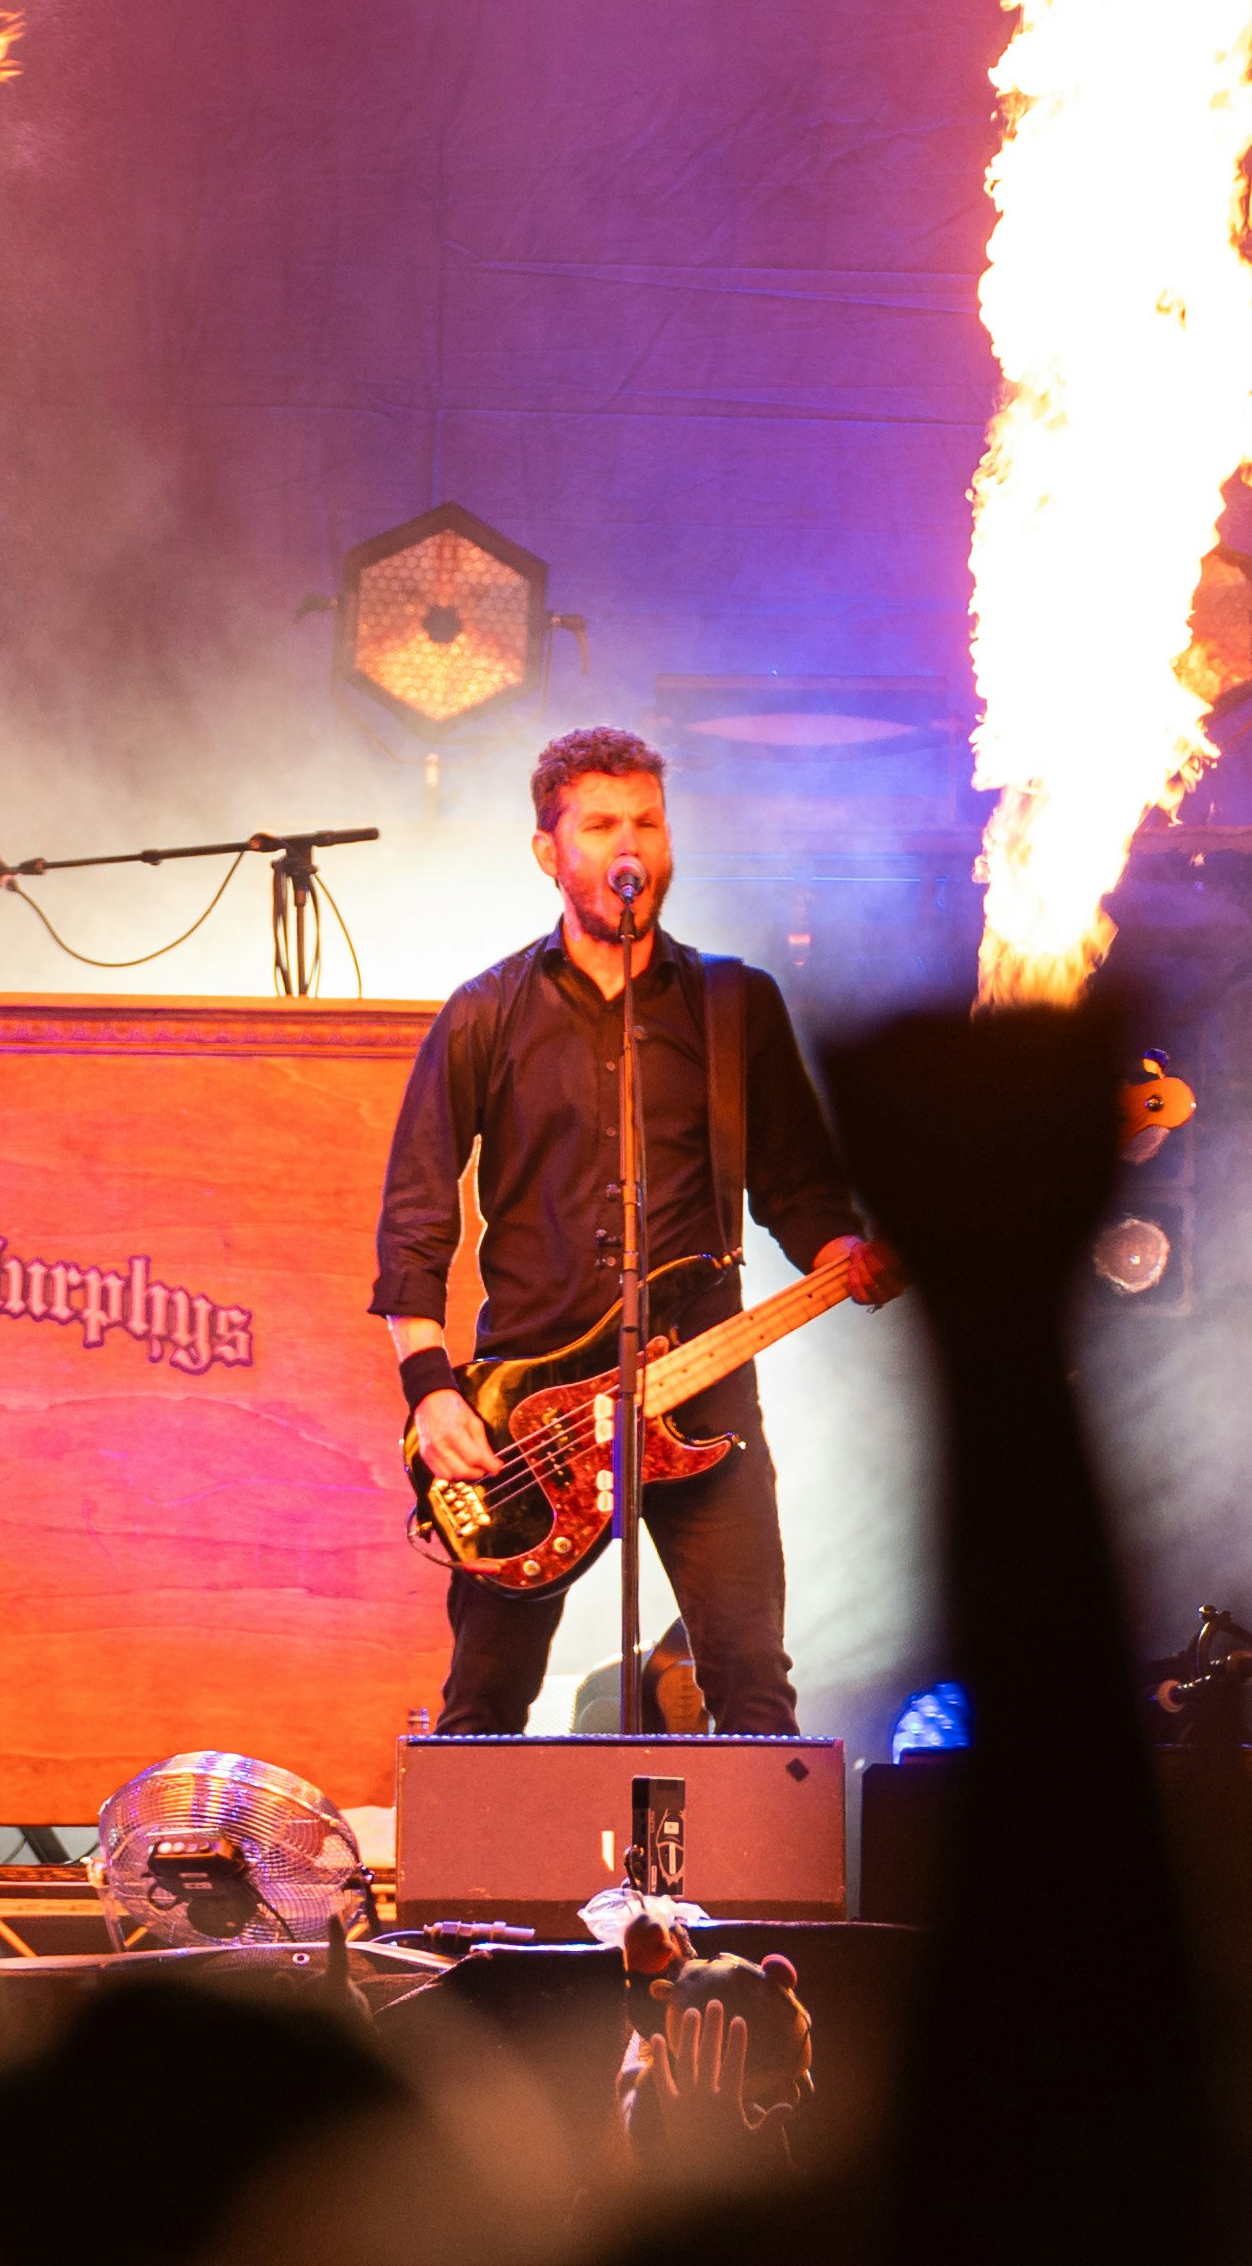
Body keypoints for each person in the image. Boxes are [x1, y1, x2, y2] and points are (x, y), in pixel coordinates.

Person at [373, 726, 879, 1741]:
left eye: (646, 819)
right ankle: (479, 1903)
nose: (628, 843)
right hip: (529, 1410)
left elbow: (799, 1185)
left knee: (750, 1679)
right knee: (484, 1698)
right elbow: (416, 1213)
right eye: (599, 823)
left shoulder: (736, 1005)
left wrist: (841, 1253)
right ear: (547, 850)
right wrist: (431, 1389)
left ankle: (758, 1906)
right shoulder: (484, 1011)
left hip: (701, 1383)